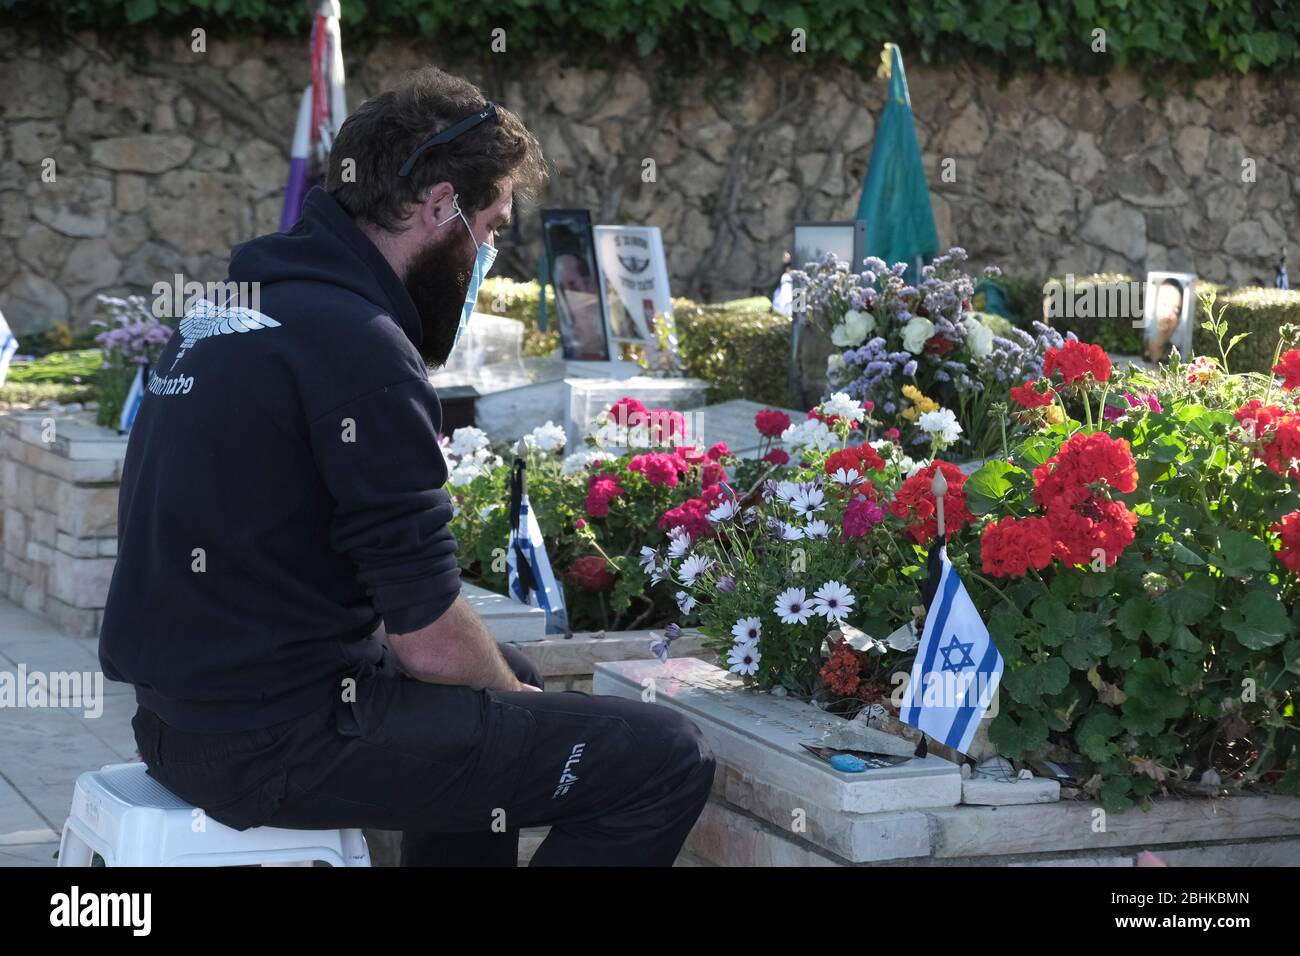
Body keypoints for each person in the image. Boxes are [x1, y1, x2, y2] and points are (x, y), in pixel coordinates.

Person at [99, 67, 715, 867]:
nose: (488, 252)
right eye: (489, 226)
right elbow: (425, 635)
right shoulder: (360, 348)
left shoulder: (228, 311)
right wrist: (516, 709)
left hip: (179, 719)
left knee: (504, 671)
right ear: (438, 208)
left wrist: (506, 696)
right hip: (273, 744)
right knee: (664, 754)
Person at [1145, 278, 1185, 363]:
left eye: (1176, 311)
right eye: (1164, 304)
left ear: (1178, 322)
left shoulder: (1178, 359)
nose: (1168, 315)